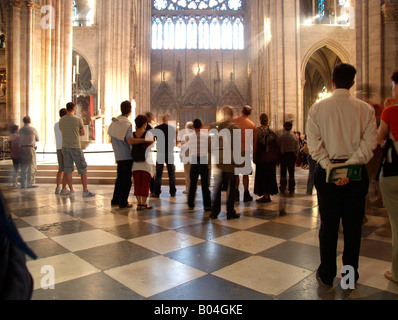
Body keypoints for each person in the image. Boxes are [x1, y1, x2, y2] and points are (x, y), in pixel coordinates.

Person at [307, 63, 378, 288]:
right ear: (353, 83)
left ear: (333, 81)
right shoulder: (365, 110)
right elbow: (370, 144)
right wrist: (351, 166)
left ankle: (327, 274)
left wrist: (331, 167)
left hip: (327, 174)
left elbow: (314, 145)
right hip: (356, 176)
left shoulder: (317, 108)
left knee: (328, 227)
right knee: (352, 229)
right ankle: (349, 278)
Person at [377, 69, 398, 284]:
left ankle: (397, 272)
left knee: (397, 224)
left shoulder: (390, 112)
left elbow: (378, 138)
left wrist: (388, 108)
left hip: (394, 172)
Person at [210, 106, 240, 220]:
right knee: (231, 188)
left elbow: (210, 144)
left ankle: (214, 212)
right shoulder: (234, 128)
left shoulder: (214, 127)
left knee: (217, 188)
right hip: (230, 162)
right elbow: (237, 147)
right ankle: (230, 212)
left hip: (218, 161)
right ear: (232, 115)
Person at [59, 102, 95, 198]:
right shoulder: (78, 119)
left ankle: (71, 191)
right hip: (75, 146)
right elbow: (82, 133)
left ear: (66, 109)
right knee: (82, 169)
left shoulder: (61, 120)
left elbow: (62, 130)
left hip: (65, 146)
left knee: (67, 170)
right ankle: (85, 190)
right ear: (74, 108)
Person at [108, 101, 134, 209]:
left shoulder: (114, 122)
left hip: (118, 155)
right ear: (130, 110)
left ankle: (115, 200)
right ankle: (123, 201)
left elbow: (111, 139)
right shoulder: (127, 124)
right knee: (127, 180)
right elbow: (129, 140)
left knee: (119, 179)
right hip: (126, 155)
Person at [129, 115, 155, 210]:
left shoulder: (132, 135)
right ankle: (144, 204)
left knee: (137, 184)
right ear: (144, 124)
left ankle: (139, 203)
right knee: (145, 184)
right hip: (146, 163)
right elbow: (151, 144)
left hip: (135, 162)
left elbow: (130, 144)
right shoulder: (148, 134)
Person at [186, 119, 212, 212]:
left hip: (194, 160)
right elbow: (210, 149)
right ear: (202, 126)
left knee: (193, 183)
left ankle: (190, 204)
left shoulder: (189, 137)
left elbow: (188, 149)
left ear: (193, 127)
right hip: (203, 159)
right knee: (205, 184)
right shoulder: (206, 136)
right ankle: (207, 205)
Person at [253, 113, 279, 203]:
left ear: (260, 120)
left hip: (262, 158)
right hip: (271, 159)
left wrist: (254, 156)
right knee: (269, 177)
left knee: (262, 177)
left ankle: (265, 196)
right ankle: (267, 195)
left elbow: (255, 144)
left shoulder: (257, 130)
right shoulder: (271, 131)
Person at [232, 106, 256, 203]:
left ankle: (236, 194)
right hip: (246, 150)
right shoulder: (251, 124)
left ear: (241, 111)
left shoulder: (233, 121)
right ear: (250, 114)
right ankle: (246, 194)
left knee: (236, 174)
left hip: (235, 150)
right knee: (245, 174)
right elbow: (253, 140)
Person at [153, 114, 177, 198]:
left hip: (160, 152)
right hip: (169, 152)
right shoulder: (173, 129)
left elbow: (154, 139)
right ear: (168, 119)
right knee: (171, 173)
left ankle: (157, 192)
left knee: (158, 174)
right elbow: (174, 140)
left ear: (162, 119)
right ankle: (172, 192)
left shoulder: (157, 128)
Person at [278, 122, 300, 195]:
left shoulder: (281, 136)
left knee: (283, 171)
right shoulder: (294, 137)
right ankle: (291, 187)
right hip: (291, 155)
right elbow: (297, 147)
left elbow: (278, 146)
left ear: (284, 127)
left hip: (284, 155)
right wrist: (296, 155)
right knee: (291, 172)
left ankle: (283, 186)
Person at [19, 117, 40, 189]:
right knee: (31, 165)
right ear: (30, 121)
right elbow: (37, 139)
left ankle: (23, 183)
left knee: (23, 166)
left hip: (22, 148)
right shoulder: (32, 129)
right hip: (30, 148)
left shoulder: (21, 129)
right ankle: (30, 183)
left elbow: (19, 139)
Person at [54, 108, 69, 195]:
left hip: (58, 148)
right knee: (67, 169)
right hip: (65, 147)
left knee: (60, 169)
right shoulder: (64, 124)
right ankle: (64, 188)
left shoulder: (56, 124)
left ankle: (58, 187)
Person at [180, 122, 194, 195]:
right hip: (194, 157)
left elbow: (182, 146)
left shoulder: (185, 136)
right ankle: (193, 189)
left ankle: (188, 189)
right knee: (193, 174)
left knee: (187, 174)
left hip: (186, 156)